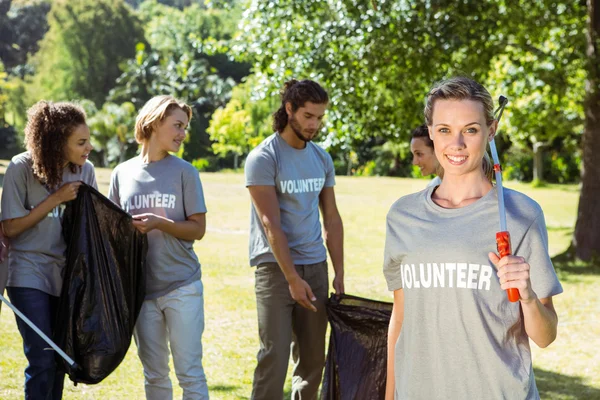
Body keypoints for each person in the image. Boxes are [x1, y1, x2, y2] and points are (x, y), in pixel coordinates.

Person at [384, 77, 563, 400]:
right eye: (444, 130)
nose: (456, 144)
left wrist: (527, 296)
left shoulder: (521, 214)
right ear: (430, 131)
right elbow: (400, 320)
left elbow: (545, 335)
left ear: (490, 130)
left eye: (470, 129)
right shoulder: (402, 216)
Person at [245, 79, 345, 400]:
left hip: (315, 266)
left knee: (313, 359)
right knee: (273, 356)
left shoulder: (321, 159)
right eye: (307, 116)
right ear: (289, 110)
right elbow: (270, 222)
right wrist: (291, 277)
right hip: (274, 269)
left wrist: (338, 271)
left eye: (319, 117)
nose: (314, 124)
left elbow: (331, 218)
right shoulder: (263, 158)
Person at [108, 95, 209, 400]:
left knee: (189, 373)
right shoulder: (121, 173)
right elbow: (113, 230)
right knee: (154, 374)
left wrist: (159, 223)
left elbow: (198, 229)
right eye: (177, 125)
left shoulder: (185, 172)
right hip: (142, 290)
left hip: (182, 286)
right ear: (154, 122)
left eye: (185, 128)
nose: (182, 133)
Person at [1, 100, 96, 399]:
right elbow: (11, 228)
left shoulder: (85, 170)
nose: (88, 147)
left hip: (66, 276)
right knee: (42, 357)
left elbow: (92, 228)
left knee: (58, 359)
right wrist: (56, 199)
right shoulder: (20, 167)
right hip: (27, 272)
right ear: (57, 142)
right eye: (81, 142)